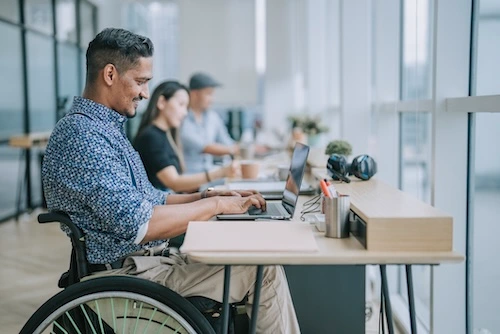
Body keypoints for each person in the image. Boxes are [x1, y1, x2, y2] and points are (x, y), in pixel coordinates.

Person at [41, 28, 300, 334]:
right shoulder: (83, 136)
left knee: (252, 259)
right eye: (140, 81)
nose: (145, 93)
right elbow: (141, 224)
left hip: (145, 265)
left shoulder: (104, 130)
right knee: (263, 271)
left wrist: (209, 197)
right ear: (110, 74)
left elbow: (154, 198)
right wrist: (216, 205)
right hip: (129, 277)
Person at [134, 81, 239, 193]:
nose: (185, 113)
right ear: (162, 102)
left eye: (186, 107)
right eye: (181, 105)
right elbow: (174, 183)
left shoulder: (166, 134)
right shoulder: (151, 137)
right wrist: (220, 173)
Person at [180, 72, 240, 174]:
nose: (212, 99)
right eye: (209, 94)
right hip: (190, 178)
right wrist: (236, 149)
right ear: (194, 94)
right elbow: (205, 147)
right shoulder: (182, 118)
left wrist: (241, 148)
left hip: (210, 172)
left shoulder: (213, 117)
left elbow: (227, 142)